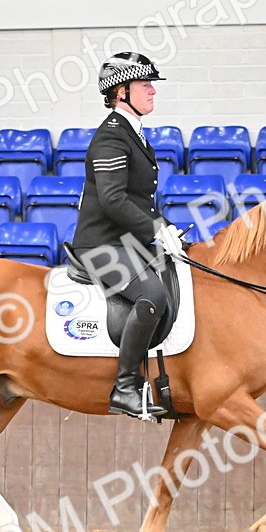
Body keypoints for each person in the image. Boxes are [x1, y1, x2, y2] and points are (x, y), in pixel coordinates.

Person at [70, 52, 186, 419]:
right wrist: (156, 230)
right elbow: (113, 200)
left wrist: (165, 228)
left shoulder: (134, 135)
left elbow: (138, 198)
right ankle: (125, 388)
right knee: (151, 294)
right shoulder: (110, 138)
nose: (152, 91)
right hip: (101, 246)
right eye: (145, 84)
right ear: (121, 92)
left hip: (128, 244)